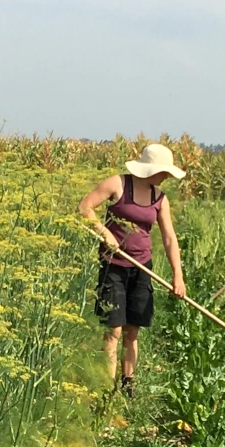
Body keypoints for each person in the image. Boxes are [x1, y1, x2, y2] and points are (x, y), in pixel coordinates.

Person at [78, 143, 187, 395]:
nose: (166, 177)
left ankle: (129, 385)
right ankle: (108, 389)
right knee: (113, 329)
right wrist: (104, 232)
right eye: (164, 172)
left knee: (132, 331)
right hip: (113, 266)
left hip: (142, 269)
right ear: (151, 169)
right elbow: (85, 207)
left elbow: (170, 238)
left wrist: (177, 276)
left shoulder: (159, 198)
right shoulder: (117, 184)